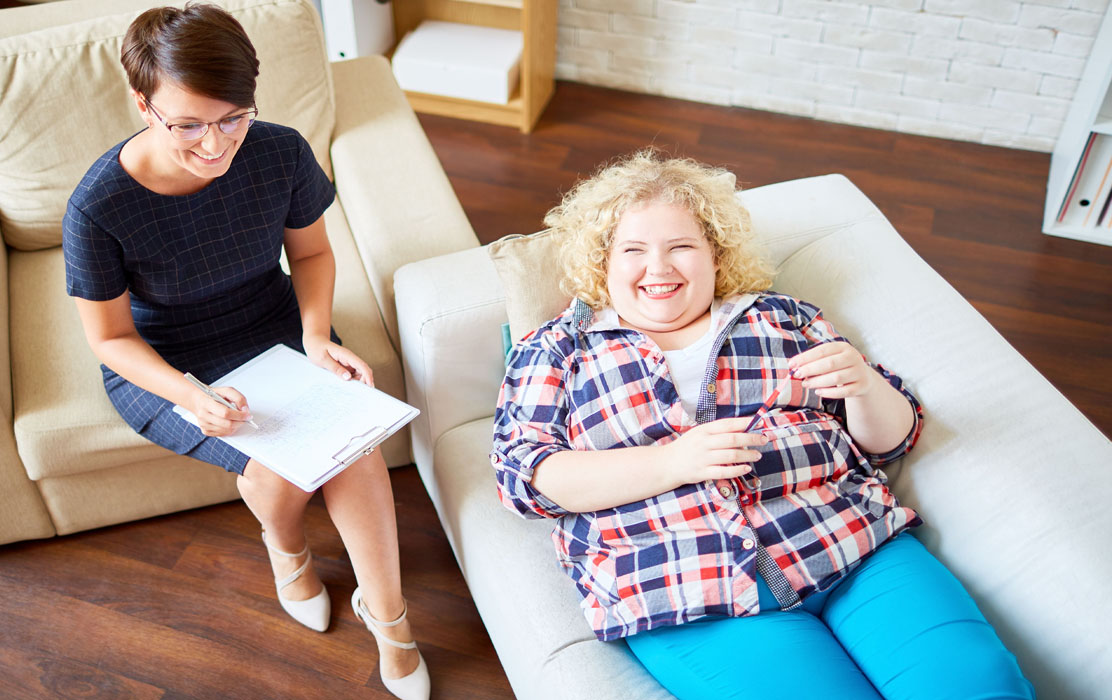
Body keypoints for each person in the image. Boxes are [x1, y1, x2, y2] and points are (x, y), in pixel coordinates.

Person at [491, 150, 1033, 700]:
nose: (658, 268)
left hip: (854, 546)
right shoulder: (557, 350)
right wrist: (672, 461)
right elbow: (522, 479)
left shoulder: (781, 318)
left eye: (681, 246)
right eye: (633, 250)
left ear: (716, 256)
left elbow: (894, 439)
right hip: (687, 588)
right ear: (602, 262)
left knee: (980, 687)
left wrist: (867, 386)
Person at [62, 5, 426, 698]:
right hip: (168, 359)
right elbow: (109, 337)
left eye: (233, 117)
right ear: (142, 104)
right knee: (277, 470)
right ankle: (288, 548)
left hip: (273, 321)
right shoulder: (98, 206)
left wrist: (317, 336)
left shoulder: (278, 150)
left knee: (354, 444)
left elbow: (313, 254)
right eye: (188, 124)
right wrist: (189, 392)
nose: (214, 144)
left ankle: (391, 622)